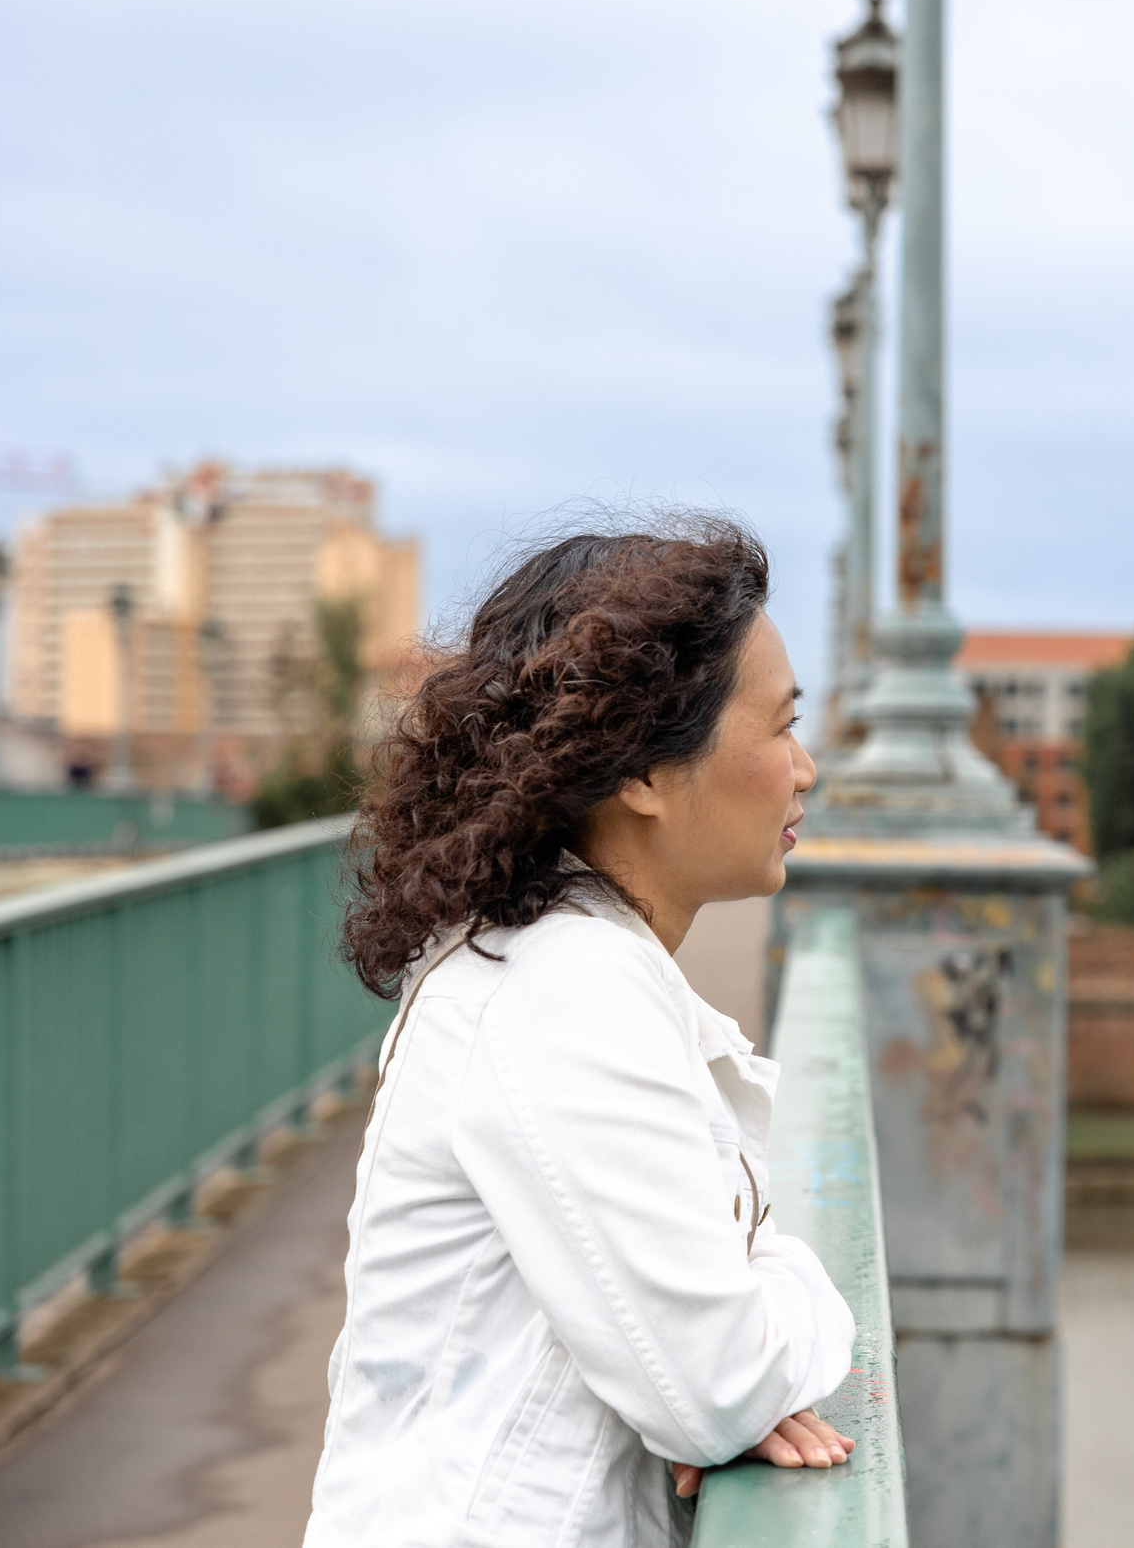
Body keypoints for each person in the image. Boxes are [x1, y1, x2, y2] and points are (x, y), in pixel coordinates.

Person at [307, 523, 856, 1547]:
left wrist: (731, 1340)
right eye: (781, 727)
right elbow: (723, 1385)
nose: (805, 769)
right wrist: (811, 1297)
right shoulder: (565, 989)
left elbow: (704, 1364)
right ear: (641, 771)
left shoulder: (560, 961)